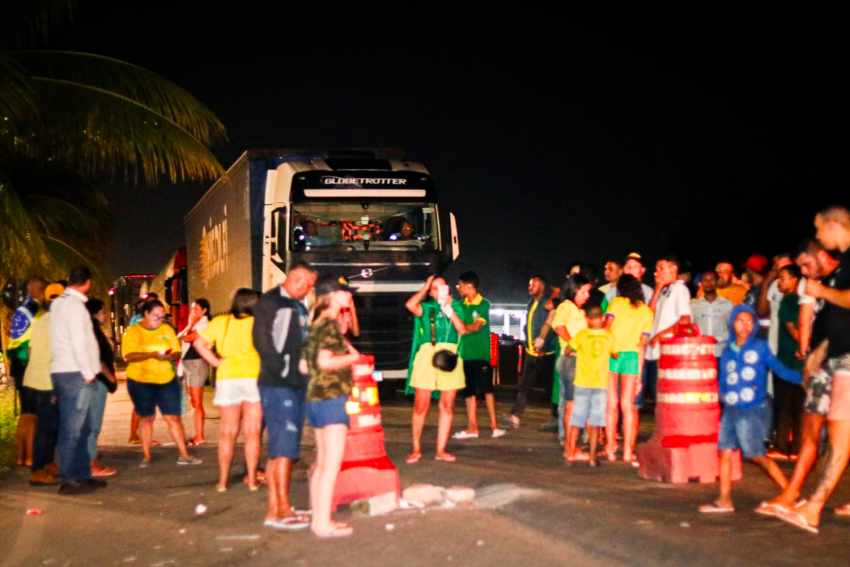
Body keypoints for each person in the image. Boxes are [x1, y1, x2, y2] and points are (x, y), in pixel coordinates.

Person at [776, 206, 850, 533]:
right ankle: (812, 503)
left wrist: (821, 292)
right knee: (837, 433)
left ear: (835, 225)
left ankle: (815, 505)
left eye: (820, 230)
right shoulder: (844, 265)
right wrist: (820, 350)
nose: (819, 237)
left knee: (839, 434)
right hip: (837, 356)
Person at [698, 305, 801, 514]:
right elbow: (723, 381)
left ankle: (791, 493)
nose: (744, 325)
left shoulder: (760, 347)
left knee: (757, 455)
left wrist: (802, 378)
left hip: (752, 409)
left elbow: (779, 369)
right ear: (732, 324)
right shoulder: (727, 350)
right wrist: (718, 397)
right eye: (739, 321)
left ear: (754, 324)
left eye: (749, 321)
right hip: (731, 409)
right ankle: (724, 499)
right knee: (725, 452)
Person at [253, 262, 317, 530]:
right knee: (283, 449)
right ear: (297, 279)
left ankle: (281, 507)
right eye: (308, 284)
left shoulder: (298, 305)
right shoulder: (271, 302)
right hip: (279, 385)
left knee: (284, 449)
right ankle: (278, 511)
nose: (309, 289)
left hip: (295, 384)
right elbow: (262, 342)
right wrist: (284, 370)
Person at [303, 276, 361, 538]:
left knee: (321, 463)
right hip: (332, 398)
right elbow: (325, 362)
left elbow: (304, 366)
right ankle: (323, 525)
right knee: (331, 465)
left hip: (315, 397)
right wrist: (352, 357)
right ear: (331, 296)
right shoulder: (328, 326)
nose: (349, 295)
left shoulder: (314, 324)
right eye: (344, 292)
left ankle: (319, 519)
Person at [193, 289, 262, 492]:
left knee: (227, 433)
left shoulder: (220, 322)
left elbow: (198, 343)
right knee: (252, 433)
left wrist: (215, 361)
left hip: (228, 379)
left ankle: (222, 482)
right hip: (253, 377)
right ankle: (252, 480)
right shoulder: (259, 322)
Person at [121, 299, 201, 468]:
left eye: (162, 316)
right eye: (156, 316)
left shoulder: (166, 329)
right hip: (141, 381)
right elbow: (128, 356)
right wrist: (151, 355)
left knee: (173, 418)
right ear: (146, 314)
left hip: (166, 380)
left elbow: (177, 351)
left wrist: (170, 356)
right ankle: (146, 456)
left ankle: (184, 455)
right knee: (147, 418)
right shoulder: (133, 332)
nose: (159, 319)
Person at [49, 266, 105, 495]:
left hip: (64, 372)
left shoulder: (58, 304)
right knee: (73, 429)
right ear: (87, 283)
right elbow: (79, 342)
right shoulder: (75, 307)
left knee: (80, 428)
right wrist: (89, 372)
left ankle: (81, 475)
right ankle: (70, 479)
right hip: (76, 373)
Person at [404, 275, 468, 463]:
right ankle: (416, 448)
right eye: (434, 288)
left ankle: (441, 450)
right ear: (430, 292)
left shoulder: (456, 306)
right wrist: (424, 289)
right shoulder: (426, 307)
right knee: (420, 405)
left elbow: (462, 330)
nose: (439, 291)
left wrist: (448, 309)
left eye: (442, 287)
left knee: (447, 405)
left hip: (450, 356)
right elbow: (410, 305)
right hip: (427, 354)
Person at [604, 274, 653, 464]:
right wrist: (640, 375)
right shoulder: (647, 311)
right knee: (628, 406)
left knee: (611, 405)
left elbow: (606, 328)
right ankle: (627, 452)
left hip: (612, 354)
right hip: (632, 357)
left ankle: (609, 449)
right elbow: (643, 344)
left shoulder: (615, 303)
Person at [452, 271, 505, 440]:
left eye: (460, 285)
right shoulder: (460, 305)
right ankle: (472, 427)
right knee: (469, 392)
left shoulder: (484, 304)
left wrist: (462, 328)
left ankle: (494, 426)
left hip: (481, 355)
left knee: (488, 390)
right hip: (465, 354)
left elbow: (476, 327)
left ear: (470, 286)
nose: (458, 288)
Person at [540, 275, 592, 447]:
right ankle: (568, 440)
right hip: (570, 360)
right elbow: (558, 326)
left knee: (573, 401)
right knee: (569, 402)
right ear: (575, 290)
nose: (587, 295)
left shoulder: (578, 310)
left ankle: (571, 438)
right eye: (584, 291)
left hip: (578, 361)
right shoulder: (566, 306)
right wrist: (574, 345)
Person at [24, 283, 65, 486]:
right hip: (47, 382)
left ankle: (47, 465)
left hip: (33, 380)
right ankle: (38, 471)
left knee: (49, 427)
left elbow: (30, 351)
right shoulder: (58, 323)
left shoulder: (40, 320)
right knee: (47, 429)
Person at [564, 305, 615, 466]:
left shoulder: (582, 335)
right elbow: (615, 354)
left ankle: (570, 453)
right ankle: (593, 457)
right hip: (600, 384)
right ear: (602, 319)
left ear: (587, 319)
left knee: (576, 420)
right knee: (595, 423)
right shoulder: (609, 336)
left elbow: (567, 350)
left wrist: (575, 352)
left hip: (582, 383)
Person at [505, 275, 557, 429]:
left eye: (532, 284)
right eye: (529, 284)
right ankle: (515, 415)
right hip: (531, 353)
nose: (529, 287)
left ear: (541, 286)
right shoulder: (530, 304)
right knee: (523, 386)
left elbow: (550, 324)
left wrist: (543, 340)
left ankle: (557, 418)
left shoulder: (548, 303)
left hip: (546, 354)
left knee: (551, 388)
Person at [10, 277, 47, 468]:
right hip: (30, 367)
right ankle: (31, 456)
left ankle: (21, 456)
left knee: (25, 414)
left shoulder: (20, 311)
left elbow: (14, 342)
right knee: (33, 415)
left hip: (19, 366)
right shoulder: (36, 311)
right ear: (38, 290)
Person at [646, 256, 692, 405]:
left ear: (673, 269)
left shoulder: (679, 289)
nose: (656, 272)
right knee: (657, 396)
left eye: (660, 268)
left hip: (667, 353)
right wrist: (658, 288)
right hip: (655, 352)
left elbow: (685, 320)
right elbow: (648, 315)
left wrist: (659, 335)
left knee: (665, 397)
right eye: (656, 269)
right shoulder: (663, 290)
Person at [772, 264, 805, 458]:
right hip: (798, 362)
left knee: (784, 406)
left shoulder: (788, 301)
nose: (779, 282)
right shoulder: (801, 300)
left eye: (783, 278)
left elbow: (793, 328)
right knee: (799, 406)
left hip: (788, 362)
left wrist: (802, 346)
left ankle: (782, 447)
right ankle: (797, 448)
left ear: (794, 280)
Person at [85, 298, 118, 478]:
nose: (105, 315)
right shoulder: (92, 332)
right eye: (103, 312)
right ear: (95, 313)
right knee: (93, 425)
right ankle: (91, 464)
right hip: (97, 382)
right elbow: (97, 358)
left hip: (96, 381)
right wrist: (109, 376)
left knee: (91, 424)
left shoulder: (92, 330)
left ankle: (90, 458)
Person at [179, 299, 211, 446]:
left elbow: (187, 337)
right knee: (193, 401)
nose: (193, 312)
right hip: (188, 364)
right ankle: (197, 434)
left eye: (197, 309)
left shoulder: (204, 324)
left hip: (197, 364)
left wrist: (190, 325)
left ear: (204, 311)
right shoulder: (194, 324)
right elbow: (182, 336)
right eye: (192, 309)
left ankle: (199, 436)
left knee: (197, 402)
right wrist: (191, 323)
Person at [691, 271, 734, 356]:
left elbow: (733, 329)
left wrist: (717, 339)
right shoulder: (693, 305)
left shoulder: (728, 305)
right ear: (701, 283)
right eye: (705, 280)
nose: (708, 283)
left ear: (717, 282)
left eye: (712, 280)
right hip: (700, 353)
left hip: (721, 352)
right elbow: (690, 328)